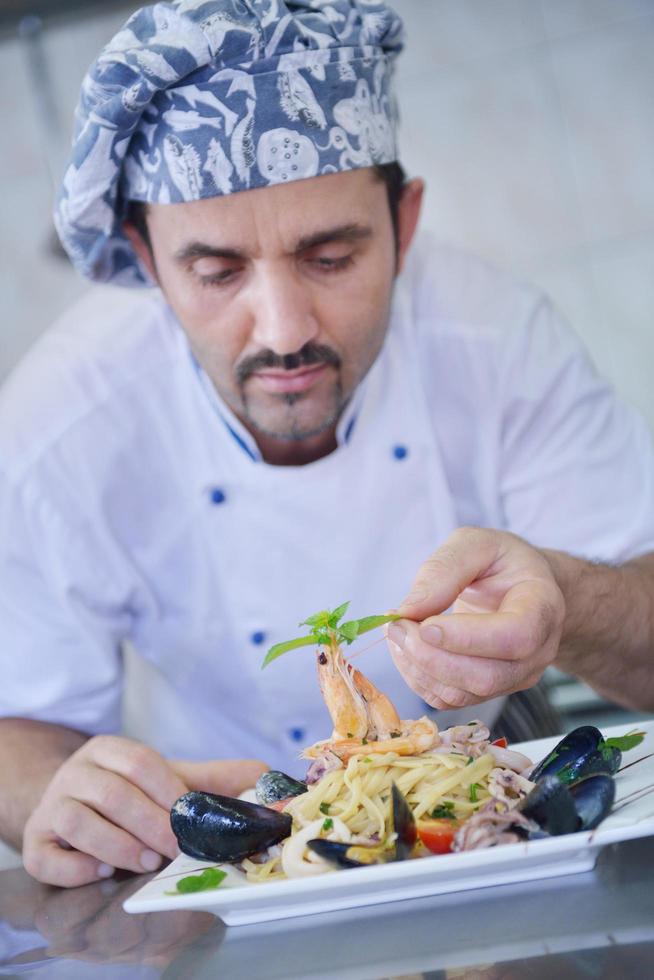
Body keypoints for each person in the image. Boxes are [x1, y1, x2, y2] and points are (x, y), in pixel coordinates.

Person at [0, 0, 652, 889]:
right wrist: (55, 793)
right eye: (217, 270)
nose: (284, 329)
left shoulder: (501, 344)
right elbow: (17, 724)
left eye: (331, 257)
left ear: (405, 224)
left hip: (497, 840)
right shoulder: (58, 429)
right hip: (228, 880)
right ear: (146, 263)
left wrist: (566, 597)